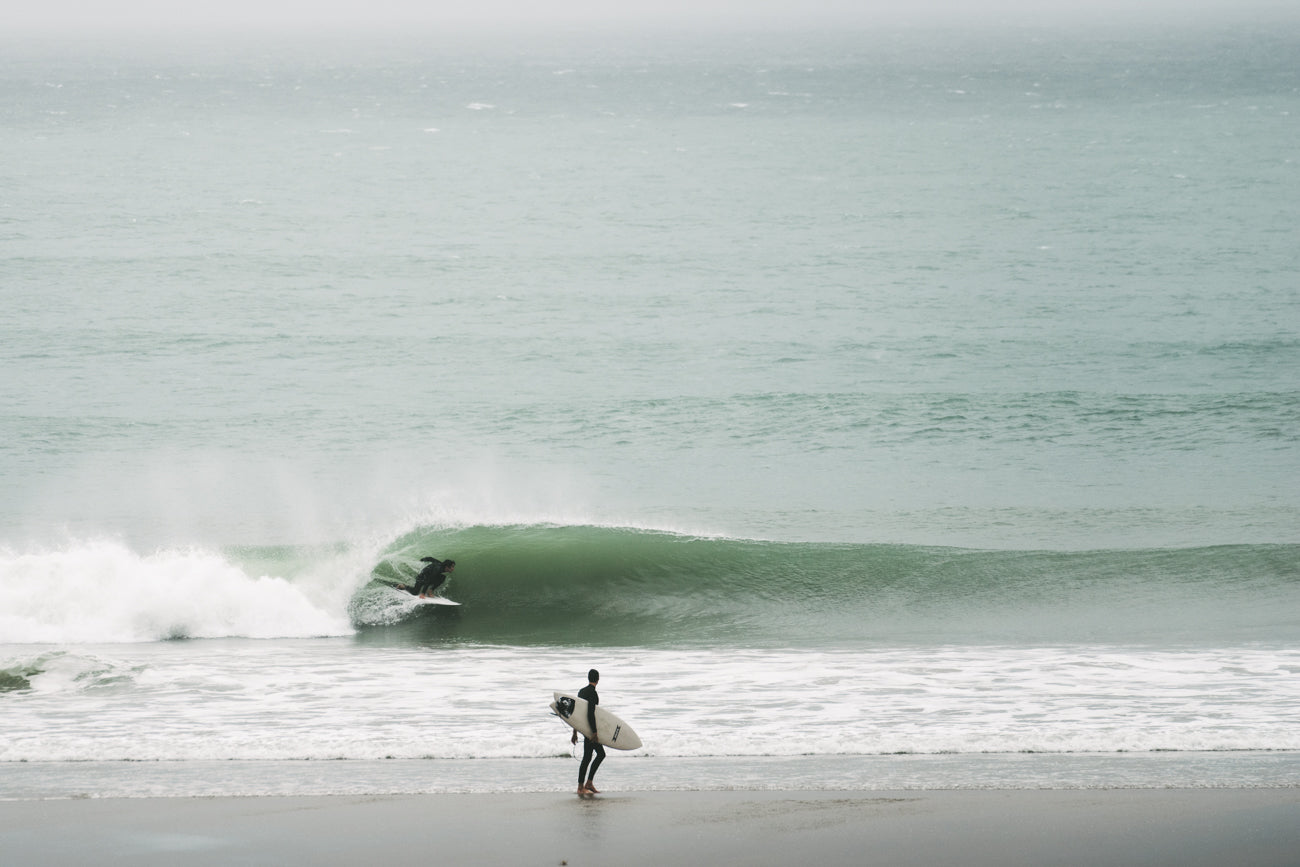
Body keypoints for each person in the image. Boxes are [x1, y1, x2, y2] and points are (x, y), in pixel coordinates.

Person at [571, 668, 605, 794]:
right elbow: (591, 713)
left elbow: (576, 714)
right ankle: (584, 785)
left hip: (583, 728)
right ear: (598, 679)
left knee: (587, 757)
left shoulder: (581, 692)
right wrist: (594, 732)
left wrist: (574, 732)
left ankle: (585, 785)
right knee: (600, 754)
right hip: (590, 730)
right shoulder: (593, 694)